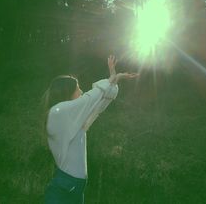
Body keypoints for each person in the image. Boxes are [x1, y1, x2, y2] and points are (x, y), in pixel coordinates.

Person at [43, 55, 138, 204]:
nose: (81, 92)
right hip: (63, 189)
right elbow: (89, 99)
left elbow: (97, 106)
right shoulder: (57, 112)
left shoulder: (72, 122)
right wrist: (110, 79)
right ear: (66, 92)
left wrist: (114, 80)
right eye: (78, 88)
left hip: (75, 189)